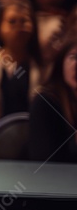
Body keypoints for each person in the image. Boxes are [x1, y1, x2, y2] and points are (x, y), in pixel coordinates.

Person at [28, 34, 77, 163]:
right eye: (74, 57)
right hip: (54, 179)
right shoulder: (45, 103)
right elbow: (45, 160)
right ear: (61, 62)